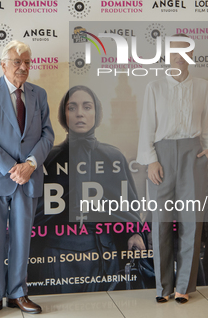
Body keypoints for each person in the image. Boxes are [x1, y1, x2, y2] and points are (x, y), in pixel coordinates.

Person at [31, 85, 146, 293]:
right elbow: (35, 211)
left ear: (97, 113)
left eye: (87, 107)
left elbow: (126, 204)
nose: (80, 113)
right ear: (63, 114)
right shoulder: (48, 158)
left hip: (104, 254)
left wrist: (134, 233)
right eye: (72, 107)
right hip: (58, 257)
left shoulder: (113, 157)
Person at [0, 40, 54, 317]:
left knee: (21, 239)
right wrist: (12, 167)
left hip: (27, 178)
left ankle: (18, 293)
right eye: (17, 62)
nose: (23, 67)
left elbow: (47, 135)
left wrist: (29, 165)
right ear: (3, 64)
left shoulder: (38, 94)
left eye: (27, 62)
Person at [137, 35, 208, 303]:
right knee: (160, 224)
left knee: (190, 223)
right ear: (167, 56)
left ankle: (184, 286)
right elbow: (147, 127)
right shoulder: (155, 87)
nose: (179, 58)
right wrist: (150, 160)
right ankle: (163, 288)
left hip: (192, 157)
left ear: (191, 57)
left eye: (184, 54)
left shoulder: (203, 87)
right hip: (161, 157)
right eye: (174, 53)